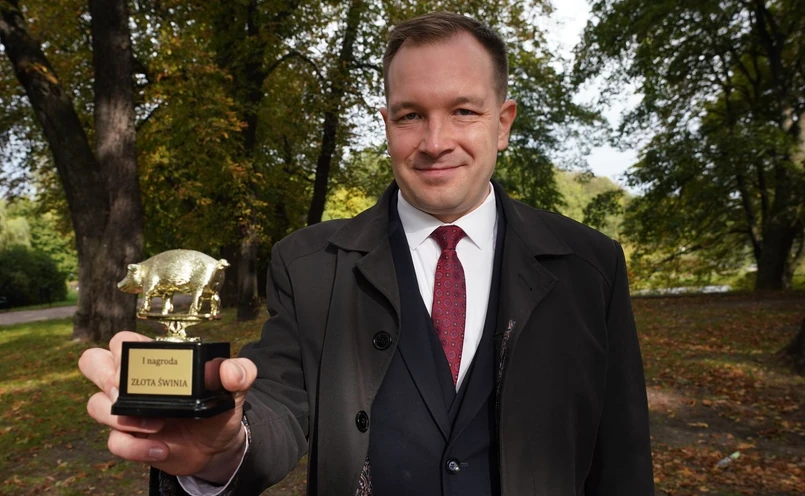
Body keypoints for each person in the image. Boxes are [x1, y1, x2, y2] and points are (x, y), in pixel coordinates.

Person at [79, 11, 654, 496]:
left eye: (464, 111)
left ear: (503, 124)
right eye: (411, 115)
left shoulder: (591, 267)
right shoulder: (308, 266)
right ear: (386, 124)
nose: (435, 142)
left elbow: (621, 458)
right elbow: (276, 407)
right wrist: (221, 448)